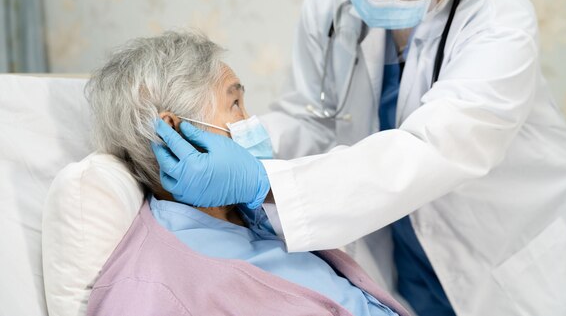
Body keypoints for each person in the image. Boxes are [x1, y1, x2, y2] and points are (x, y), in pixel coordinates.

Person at [152, 0, 566, 315]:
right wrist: (239, 140)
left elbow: (433, 150)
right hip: (402, 256)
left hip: (508, 262)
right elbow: (312, 115)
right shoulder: (331, 6)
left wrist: (262, 183)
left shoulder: (498, 23)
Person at [85, 31, 411, 316]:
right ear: (173, 131)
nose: (252, 120)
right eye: (236, 103)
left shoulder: (254, 215)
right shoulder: (149, 289)